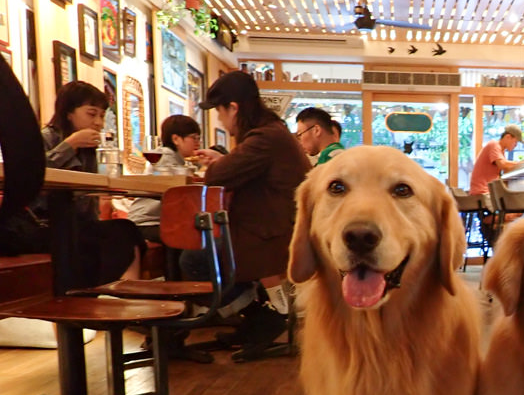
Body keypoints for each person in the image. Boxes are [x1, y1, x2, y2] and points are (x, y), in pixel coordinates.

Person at [192, 70, 311, 361]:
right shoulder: (271, 132)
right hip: (276, 228)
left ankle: (267, 317)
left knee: (193, 259)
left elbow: (217, 176)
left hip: (272, 235)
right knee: (202, 251)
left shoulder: (264, 137)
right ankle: (258, 319)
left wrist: (219, 164)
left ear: (233, 108)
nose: (220, 120)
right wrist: (225, 160)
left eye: (220, 112)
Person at [2, 81, 145, 287]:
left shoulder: (89, 149)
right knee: (88, 243)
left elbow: (87, 194)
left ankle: (122, 299)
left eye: (102, 116)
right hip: (40, 224)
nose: (99, 122)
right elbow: (31, 176)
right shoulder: (45, 138)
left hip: (75, 223)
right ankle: (80, 300)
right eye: (91, 114)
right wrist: (69, 146)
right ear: (69, 112)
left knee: (127, 230)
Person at [128, 114, 202, 243]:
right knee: (188, 235)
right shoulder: (165, 158)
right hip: (146, 223)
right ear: (176, 139)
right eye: (194, 138)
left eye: (199, 138)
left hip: (155, 221)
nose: (198, 143)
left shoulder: (176, 161)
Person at [468, 124, 523, 204]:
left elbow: (505, 169)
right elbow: (502, 164)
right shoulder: (494, 145)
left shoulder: (501, 151)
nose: (516, 145)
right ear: (508, 137)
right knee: (516, 208)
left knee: (515, 207)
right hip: (483, 192)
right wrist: (520, 163)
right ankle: (493, 217)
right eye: (515, 142)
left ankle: (493, 217)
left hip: (486, 191)